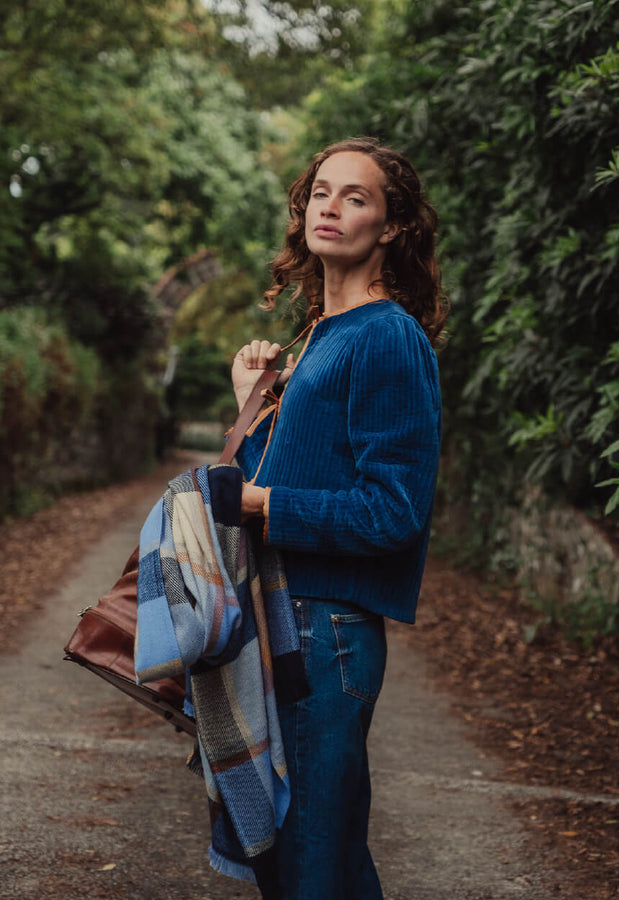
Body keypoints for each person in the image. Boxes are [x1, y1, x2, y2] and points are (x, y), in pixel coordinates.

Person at [230, 136, 448, 900]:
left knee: (312, 861)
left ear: (391, 227)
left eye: (357, 196)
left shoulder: (388, 337)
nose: (331, 206)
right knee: (315, 859)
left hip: (328, 635)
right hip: (286, 616)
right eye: (322, 191)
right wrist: (250, 406)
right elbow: (285, 477)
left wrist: (262, 505)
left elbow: (393, 512)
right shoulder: (323, 331)